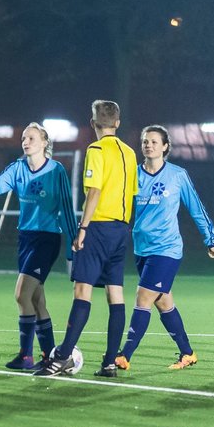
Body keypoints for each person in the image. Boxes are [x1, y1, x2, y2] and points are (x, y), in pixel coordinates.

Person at [39, 100, 139, 378]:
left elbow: (93, 192)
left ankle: (61, 357)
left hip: (98, 228)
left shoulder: (95, 149)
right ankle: (109, 362)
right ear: (117, 123)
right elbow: (132, 193)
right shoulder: (130, 153)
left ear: (93, 123)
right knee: (115, 295)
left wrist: (82, 229)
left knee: (82, 292)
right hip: (121, 229)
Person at [0, 122, 77, 370]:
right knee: (37, 301)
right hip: (25, 238)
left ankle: (26, 356)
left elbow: (66, 209)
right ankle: (51, 355)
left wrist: (73, 245)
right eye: (23, 138)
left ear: (44, 143)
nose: (25, 142)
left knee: (21, 294)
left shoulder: (56, 170)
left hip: (46, 239)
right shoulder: (18, 168)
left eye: (31, 138)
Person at [113, 125, 214, 373]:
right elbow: (122, 208)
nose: (148, 145)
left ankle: (124, 355)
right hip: (142, 249)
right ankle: (188, 353)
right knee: (163, 303)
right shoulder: (134, 175)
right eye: (145, 141)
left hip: (167, 248)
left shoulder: (177, 175)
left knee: (143, 296)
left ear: (165, 147)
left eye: (154, 142)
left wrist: (209, 238)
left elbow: (195, 206)